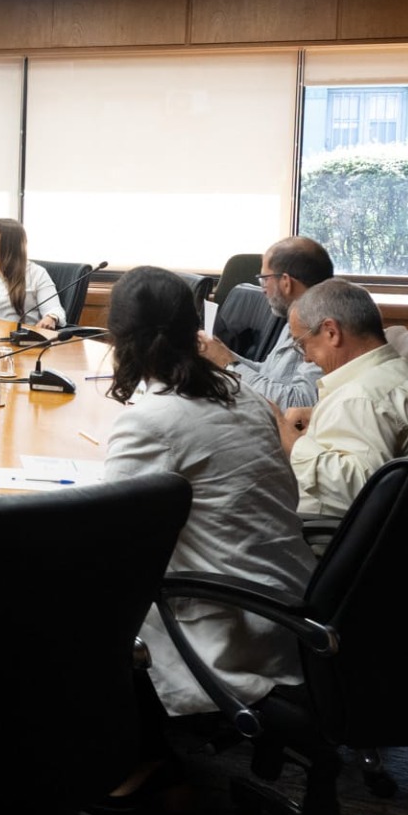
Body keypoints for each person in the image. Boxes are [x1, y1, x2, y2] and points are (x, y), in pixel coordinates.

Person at [99, 267, 317, 788]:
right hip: (296, 608)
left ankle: (135, 764)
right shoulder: (242, 394)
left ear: (119, 339)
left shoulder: (150, 420)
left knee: (74, 594)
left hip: (231, 621)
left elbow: (107, 538)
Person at [281, 279, 408, 517]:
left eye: (303, 344)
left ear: (331, 332)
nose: (306, 359)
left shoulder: (360, 400)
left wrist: (292, 441)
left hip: (316, 537)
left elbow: (361, 492)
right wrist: (318, 416)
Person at [197, 236, 331, 409]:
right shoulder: (295, 316)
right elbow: (268, 373)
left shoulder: (323, 328)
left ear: (286, 282)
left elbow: (298, 404)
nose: (262, 288)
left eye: (264, 279)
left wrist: (227, 363)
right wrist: (223, 353)